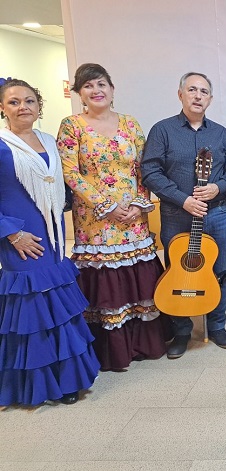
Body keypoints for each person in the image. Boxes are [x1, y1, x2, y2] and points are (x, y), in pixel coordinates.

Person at [57, 63, 166, 371]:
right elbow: (70, 173)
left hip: (133, 215)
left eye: (102, 84)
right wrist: (106, 204)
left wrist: (138, 203)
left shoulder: (130, 124)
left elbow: (146, 167)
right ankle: (112, 351)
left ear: (112, 89)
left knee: (137, 273)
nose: (97, 90)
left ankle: (143, 343)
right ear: (80, 93)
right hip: (96, 220)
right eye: (89, 86)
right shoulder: (72, 125)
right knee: (107, 280)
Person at [0, 79, 99, 406]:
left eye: (29, 100)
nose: (22, 106)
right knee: (34, 311)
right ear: (3, 108)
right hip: (20, 239)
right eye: (14, 102)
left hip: (53, 236)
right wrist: (12, 233)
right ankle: (37, 384)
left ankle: (67, 379)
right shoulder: (1, 145)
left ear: (39, 106)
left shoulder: (48, 140)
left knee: (58, 306)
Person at [141, 72, 226, 359]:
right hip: (177, 216)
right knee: (179, 271)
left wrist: (217, 187)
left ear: (210, 98)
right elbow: (150, 172)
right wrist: (183, 200)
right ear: (180, 94)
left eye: (204, 91)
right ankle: (182, 330)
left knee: (217, 271)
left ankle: (217, 326)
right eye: (192, 90)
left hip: (217, 215)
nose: (198, 95)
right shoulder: (163, 130)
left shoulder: (220, 133)